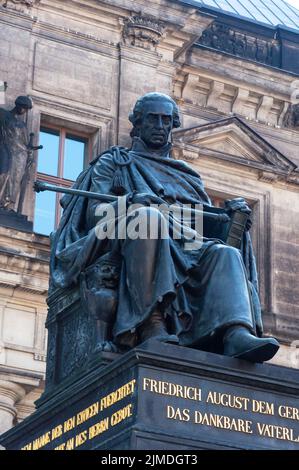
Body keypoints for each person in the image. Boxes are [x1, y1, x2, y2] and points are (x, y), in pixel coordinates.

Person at [50, 92, 279, 363]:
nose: (160, 126)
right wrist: (130, 203)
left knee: (223, 253)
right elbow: (96, 215)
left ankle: (234, 333)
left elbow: (200, 226)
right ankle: (150, 323)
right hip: (129, 238)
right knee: (148, 219)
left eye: (166, 121)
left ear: (173, 125)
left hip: (183, 245)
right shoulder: (114, 163)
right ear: (137, 124)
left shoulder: (185, 173)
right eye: (153, 119)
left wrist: (229, 217)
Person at [0, 95, 33, 212]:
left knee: (15, 178)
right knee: (3, 174)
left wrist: (29, 154)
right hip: (4, 149)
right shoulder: (3, 114)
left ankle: (8, 205)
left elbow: (26, 144)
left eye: (26, 109)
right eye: (24, 108)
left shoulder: (22, 125)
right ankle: (2, 201)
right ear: (18, 105)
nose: (24, 111)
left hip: (19, 155)